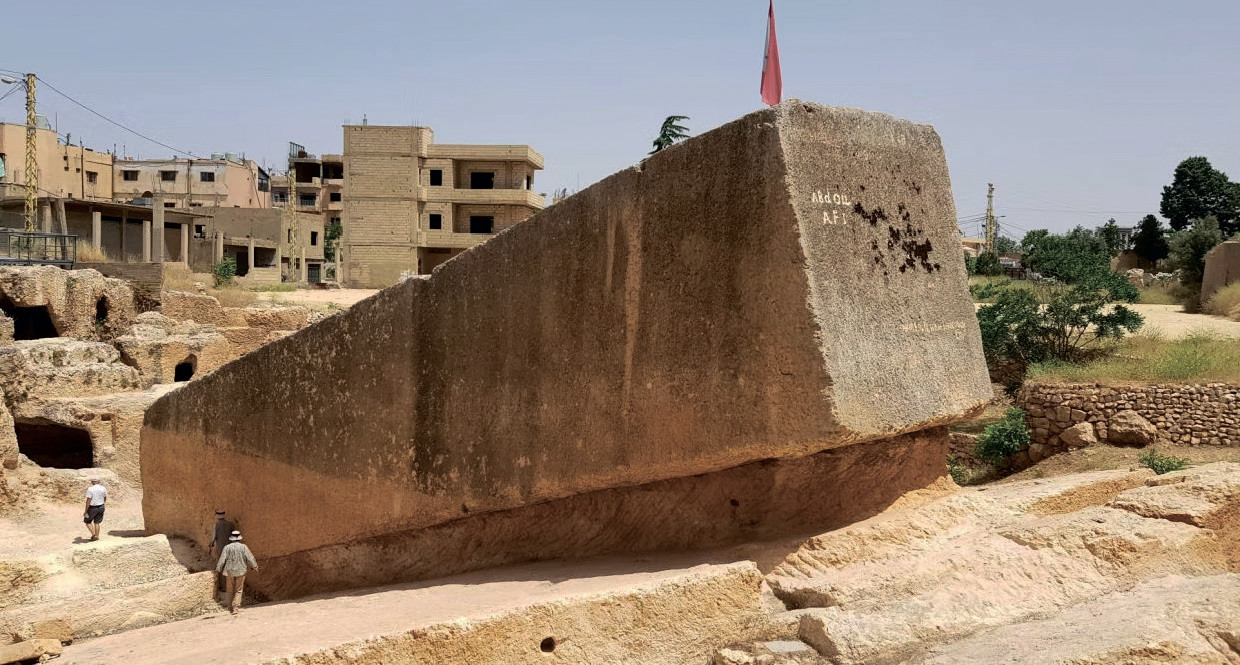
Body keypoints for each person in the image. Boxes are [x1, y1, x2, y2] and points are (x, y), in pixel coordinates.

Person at [215, 531, 258, 614]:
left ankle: (230, 607)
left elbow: (222, 559)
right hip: (241, 571)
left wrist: (218, 569)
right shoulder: (244, 547)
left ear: (231, 538)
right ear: (239, 538)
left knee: (229, 590)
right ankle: (235, 607)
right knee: (238, 590)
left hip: (229, 571)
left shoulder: (227, 547)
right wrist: (254, 566)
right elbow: (250, 558)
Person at [208, 510, 235, 593]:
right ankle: (232, 586)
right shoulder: (231, 525)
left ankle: (223, 587)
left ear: (217, 517)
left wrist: (211, 544)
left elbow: (213, 538)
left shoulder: (216, 526)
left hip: (221, 550)